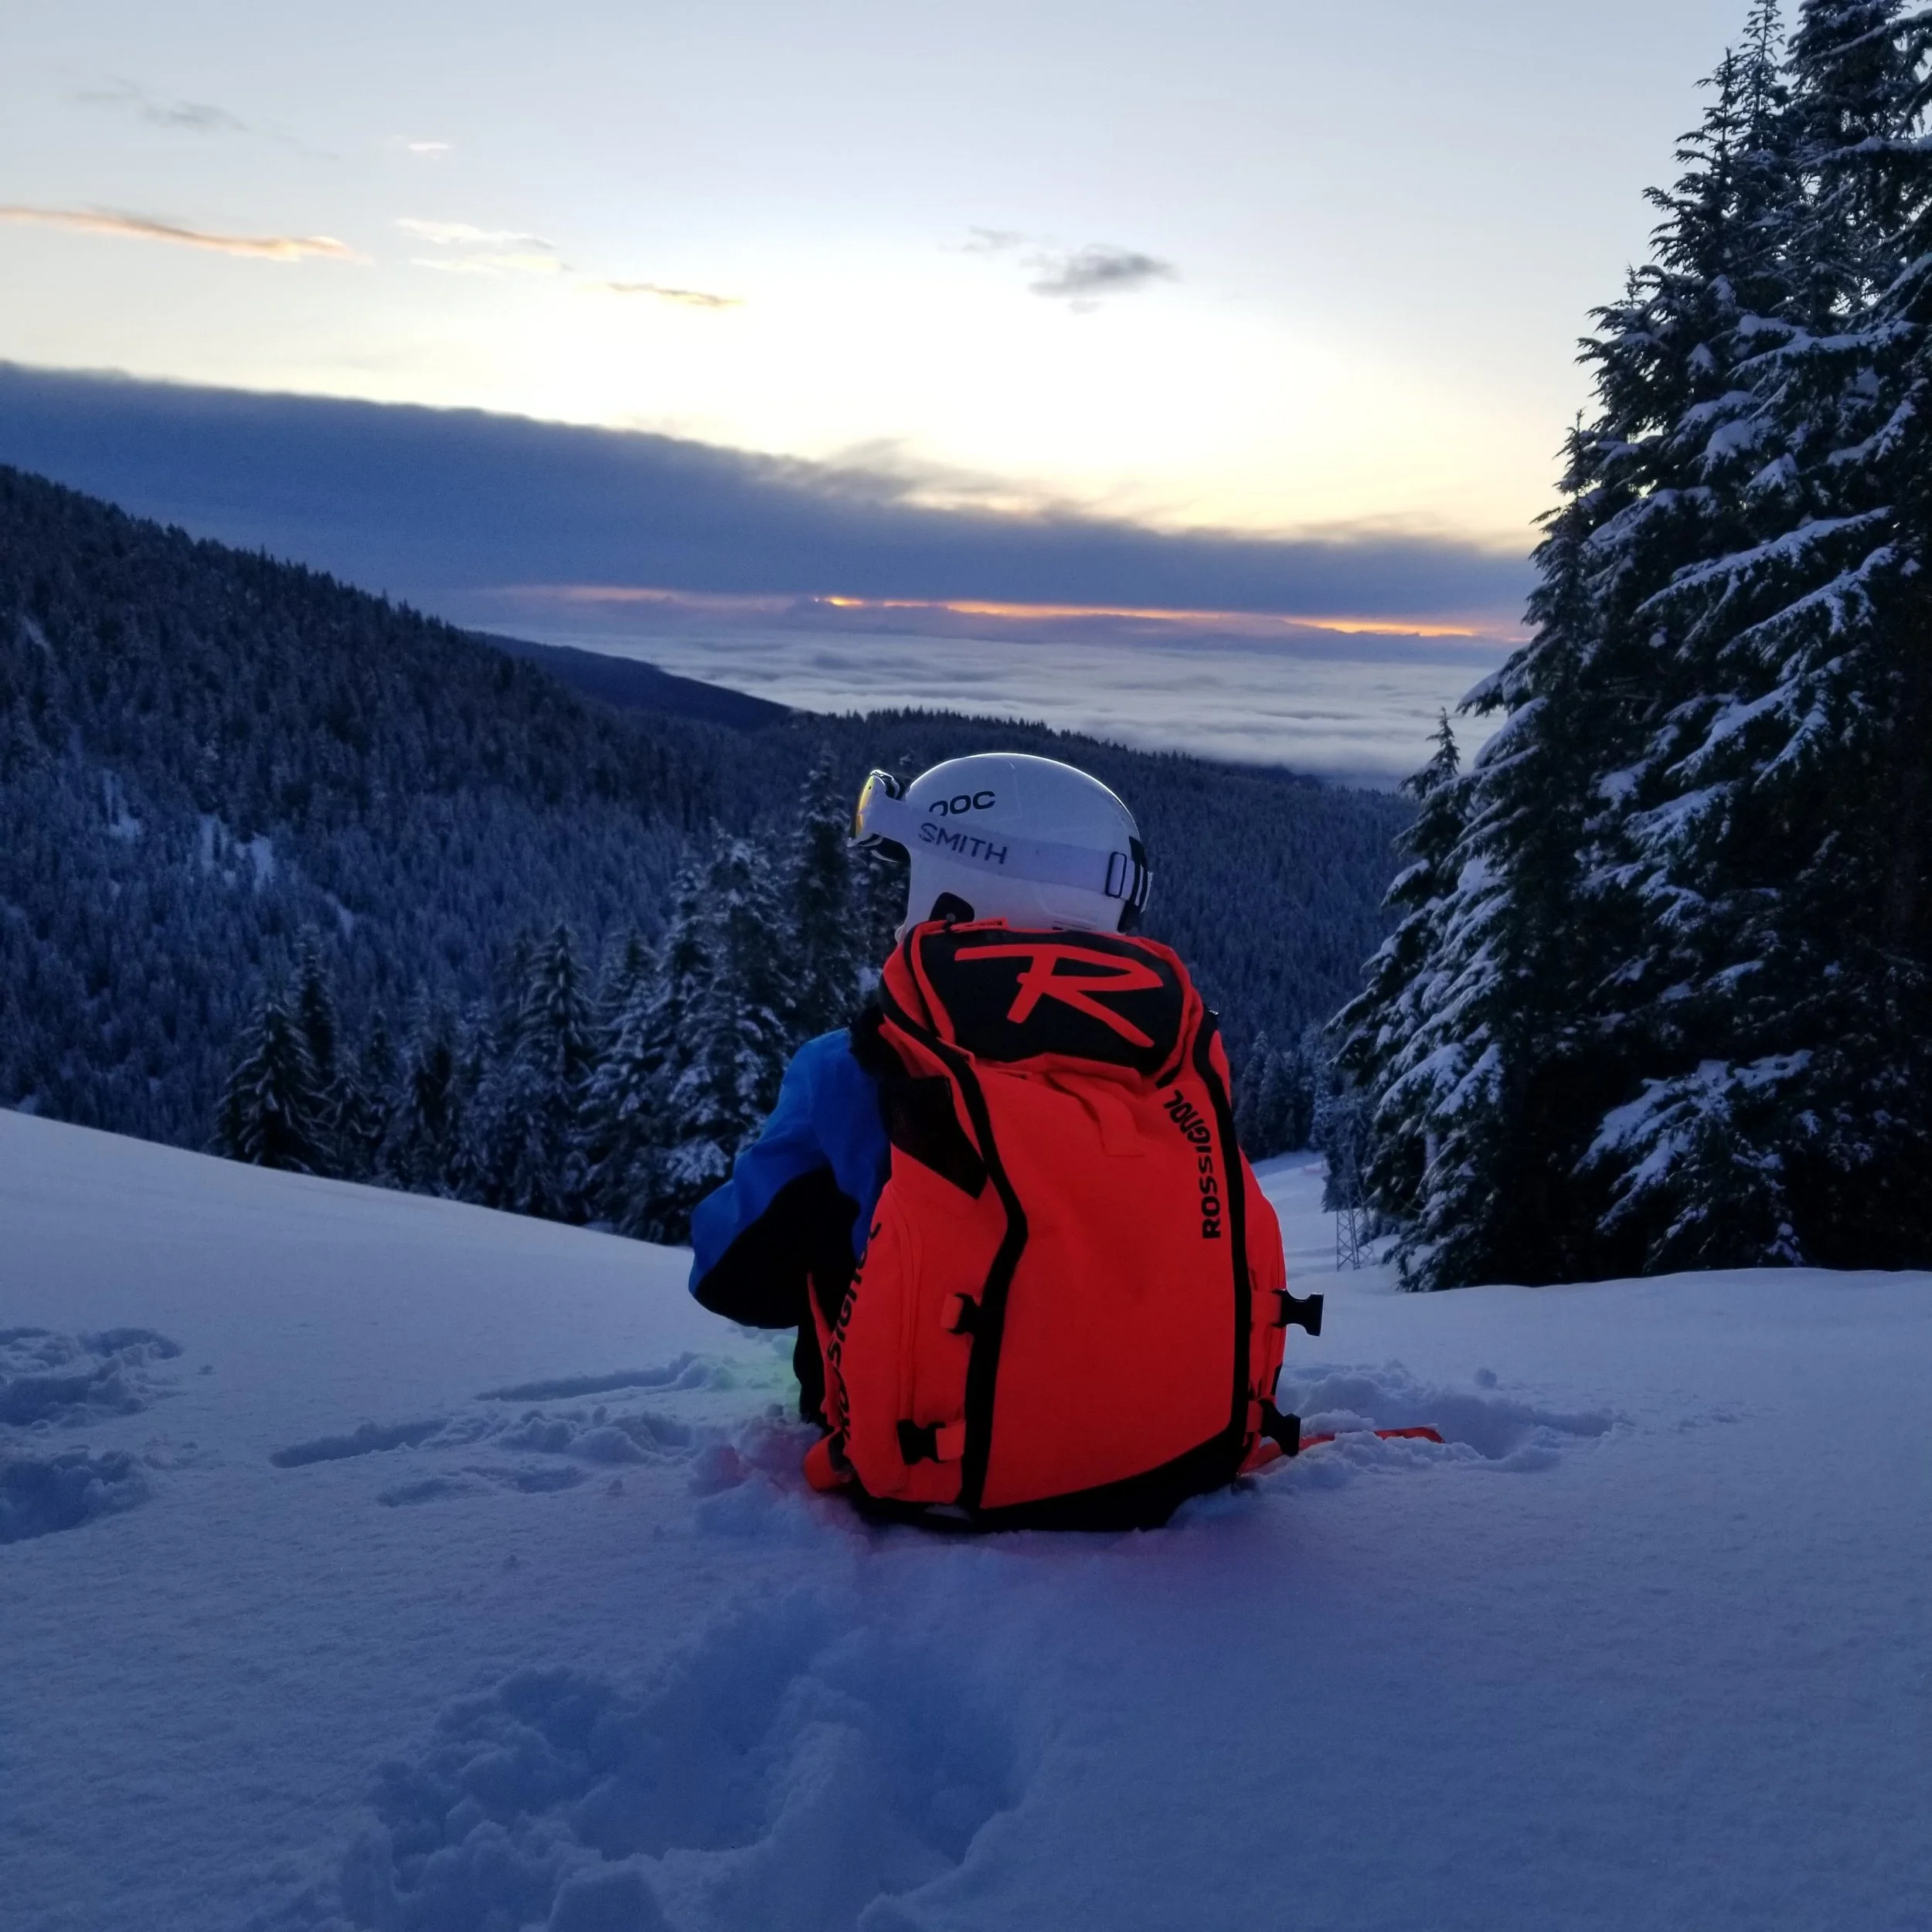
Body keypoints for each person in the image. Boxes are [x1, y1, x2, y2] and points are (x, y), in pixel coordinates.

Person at [688, 752, 1314, 1529]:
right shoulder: (1167, 1060)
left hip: (945, 1466)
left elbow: (729, 1274)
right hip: (1182, 1453)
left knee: (817, 1198)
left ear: (956, 885)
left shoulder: (850, 1064)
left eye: (904, 871)